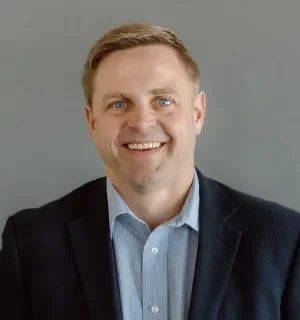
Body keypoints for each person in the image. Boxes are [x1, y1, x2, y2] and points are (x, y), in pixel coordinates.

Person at [0, 23, 299, 320]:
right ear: (92, 122)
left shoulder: (284, 240)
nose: (142, 122)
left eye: (163, 101)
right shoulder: (30, 244)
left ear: (197, 114)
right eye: (119, 103)